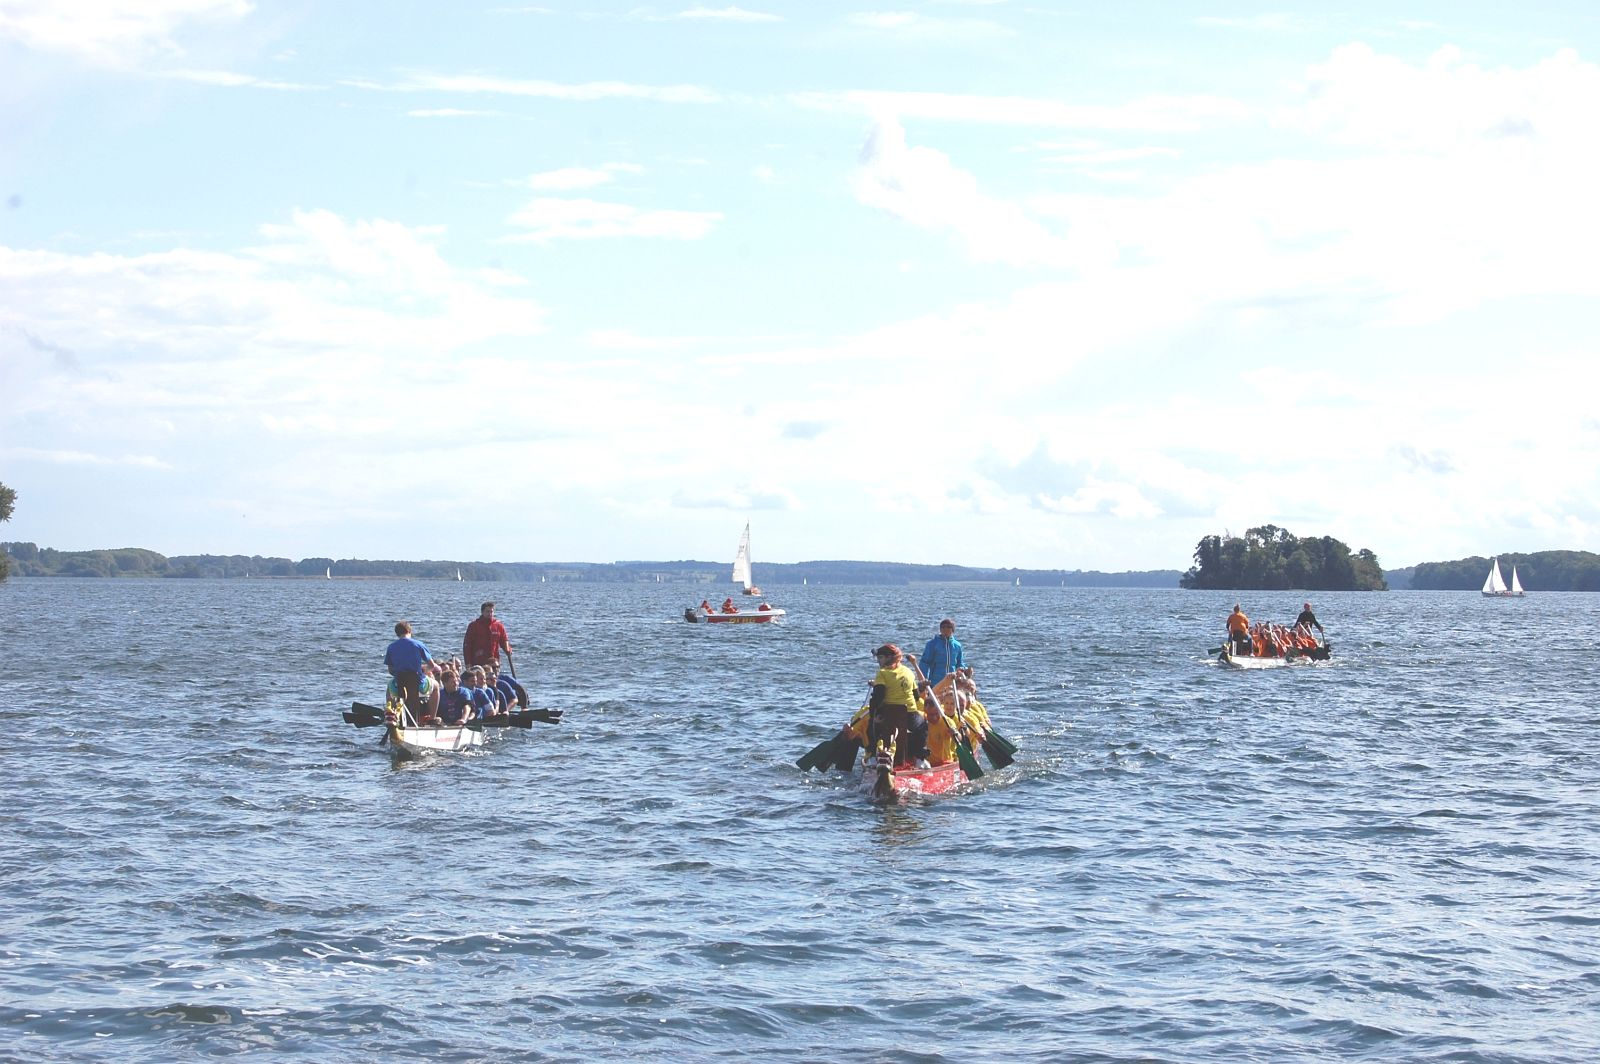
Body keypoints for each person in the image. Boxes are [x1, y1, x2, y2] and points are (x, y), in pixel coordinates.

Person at [867, 644, 930, 769]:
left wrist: (873, 714)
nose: (878, 661)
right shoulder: (908, 672)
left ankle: (873, 757)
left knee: (871, 726)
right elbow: (916, 696)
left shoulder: (882, 673)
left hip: (887, 715)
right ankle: (920, 758)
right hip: (910, 716)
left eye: (880, 657)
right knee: (923, 725)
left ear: (889, 658)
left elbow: (878, 696)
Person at [384, 621, 434, 718]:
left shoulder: (391, 647)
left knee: (389, 687)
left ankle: (391, 713)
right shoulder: (418, 644)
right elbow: (431, 666)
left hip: (399, 684)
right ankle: (432, 717)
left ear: (397, 633)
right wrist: (424, 670)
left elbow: (390, 670)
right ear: (409, 631)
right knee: (436, 686)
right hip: (418, 683)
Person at [463, 601, 513, 673]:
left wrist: (508, 649)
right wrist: (468, 663)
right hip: (478, 661)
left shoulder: (498, 626)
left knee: (494, 677)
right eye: (487, 611)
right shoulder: (474, 626)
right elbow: (467, 646)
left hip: (494, 662)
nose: (490, 614)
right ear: (482, 612)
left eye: (491, 612)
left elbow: (504, 640)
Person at [921, 618, 965, 685]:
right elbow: (925, 663)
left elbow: (959, 663)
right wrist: (924, 679)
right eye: (943, 627)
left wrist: (964, 670)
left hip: (952, 681)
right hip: (936, 681)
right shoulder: (932, 644)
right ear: (940, 629)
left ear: (953, 629)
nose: (945, 629)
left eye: (948, 627)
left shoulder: (957, 645)